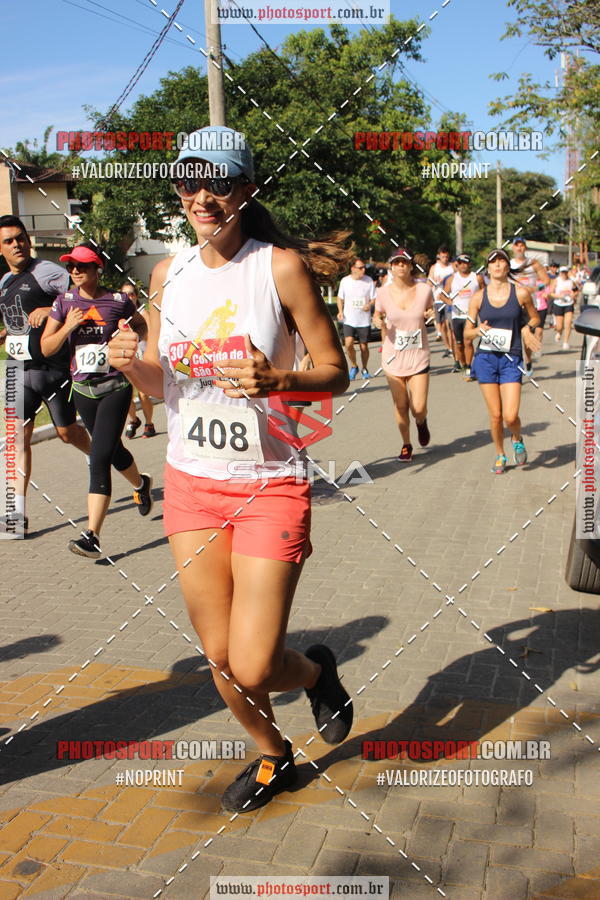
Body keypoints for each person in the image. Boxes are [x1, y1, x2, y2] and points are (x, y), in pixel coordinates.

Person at [106, 126, 354, 812]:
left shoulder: (279, 268)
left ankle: (314, 673)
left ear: (246, 189)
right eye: (188, 181)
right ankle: (275, 754)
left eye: (217, 182)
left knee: (254, 662)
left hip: (269, 485)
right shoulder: (167, 274)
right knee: (220, 659)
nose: (202, 197)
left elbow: (335, 371)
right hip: (192, 484)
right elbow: (162, 382)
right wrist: (130, 364)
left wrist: (277, 379)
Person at [40, 243, 153, 558]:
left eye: (83, 266)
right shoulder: (64, 302)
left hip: (115, 387)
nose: (76, 271)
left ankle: (92, 536)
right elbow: (47, 347)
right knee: (112, 450)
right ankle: (141, 484)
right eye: (71, 266)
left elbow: (142, 327)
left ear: (97, 268)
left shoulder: (117, 301)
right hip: (83, 391)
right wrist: (68, 326)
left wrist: (130, 338)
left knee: (99, 457)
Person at [0, 215, 91, 535]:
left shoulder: (47, 271)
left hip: (51, 369)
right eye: (9, 241)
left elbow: (82, 295)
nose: (17, 245)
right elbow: (18, 319)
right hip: (17, 369)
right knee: (17, 439)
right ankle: (16, 515)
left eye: (20, 238)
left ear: (28, 240)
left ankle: (98, 455)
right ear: (0, 248)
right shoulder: (4, 282)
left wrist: (51, 308)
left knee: (67, 433)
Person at [465, 249, 540, 474]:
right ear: (487, 268)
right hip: (485, 359)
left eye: (502, 261)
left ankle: (517, 438)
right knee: (496, 416)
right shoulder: (478, 297)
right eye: (493, 262)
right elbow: (466, 333)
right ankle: (500, 454)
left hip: (511, 358)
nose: (497, 265)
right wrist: (477, 330)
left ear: (508, 266)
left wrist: (526, 328)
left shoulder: (521, 293)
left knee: (510, 415)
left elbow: (535, 317)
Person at [372, 248, 434, 462]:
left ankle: (421, 422)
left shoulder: (424, 290)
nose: (400, 266)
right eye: (396, 262)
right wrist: (377, 320)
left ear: (410, 266)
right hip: (393, 358)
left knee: (418, 408)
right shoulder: (382, 292)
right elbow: (377, 314)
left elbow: (430, 310)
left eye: (404, 262)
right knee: (401, 405)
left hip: (418, 356)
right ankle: (406, 444)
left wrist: (430, 314)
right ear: (391, 266)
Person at [509, 238, 549, 375]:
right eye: (517, 245)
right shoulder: (508, 264)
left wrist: (535, 289)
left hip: (529, 305)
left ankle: (528, 360)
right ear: (513, 248)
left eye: (522, 245)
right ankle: (515, 364)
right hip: (512, 304)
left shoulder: (533, 263)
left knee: (528, 337)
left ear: (525, 248)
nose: (519, 248)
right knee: (512, 337)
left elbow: (546, 281)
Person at [122, 283, 156, 438]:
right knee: (126, 393)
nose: (129, 297)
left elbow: (151, 329)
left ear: (136, 296)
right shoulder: (118, 311)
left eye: (132, 294)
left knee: (143, 393)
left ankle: (149, 424)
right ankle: (134, 420)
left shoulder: (141, 311)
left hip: (141, 352)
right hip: (125, 353)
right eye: (125, 294)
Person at [441, 253, 483, 378]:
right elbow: (442, 295)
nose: (463, 265)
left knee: (468, 342)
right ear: (457, 265)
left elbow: (484, 292)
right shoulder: (452, 279)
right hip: (456, 315)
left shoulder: (477, 277)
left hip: (470, 315)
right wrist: (448, 301)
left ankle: (469, 367)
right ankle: (463, 363)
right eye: (460, 263)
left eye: (466, 263)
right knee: (459, 344)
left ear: (470, 264)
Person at [336, 257, 375, 379]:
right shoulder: (345, 281)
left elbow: (374, 298)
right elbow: (340, 298)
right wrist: (340, 311)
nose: (364, 270)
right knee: (348, 344)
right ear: (353, 269)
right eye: (361, 268)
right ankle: (354, 366)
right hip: (349, 319)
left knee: (364, 346)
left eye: (364, 267)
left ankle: (364, 368)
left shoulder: (368, 280)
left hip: (363, 320)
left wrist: (369, 305)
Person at [428, 246, 454, 354]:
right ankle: (448, 347)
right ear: (439, 256)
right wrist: (435, 281)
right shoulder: (434, 267)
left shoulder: (452, 267)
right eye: (443, 257)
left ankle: (453, 348)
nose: (445, 259)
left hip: (449, 300)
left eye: (447, 257)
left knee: (449, 325)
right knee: (442, 326)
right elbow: (429, 283)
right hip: (438, 299)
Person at [551, 266, 578, 349]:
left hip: (569, 304)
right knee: (559, 326)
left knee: (568, 323)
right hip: (558, 304)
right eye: (562, 272)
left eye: (565, 272)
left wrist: (574, 295)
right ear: (560, 273)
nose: (564, 274)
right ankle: (559, 332)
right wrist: (559, 296)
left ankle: (566, 342)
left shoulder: (571, 281)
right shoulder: (556, 281)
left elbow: (576, 291)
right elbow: (551, 293)